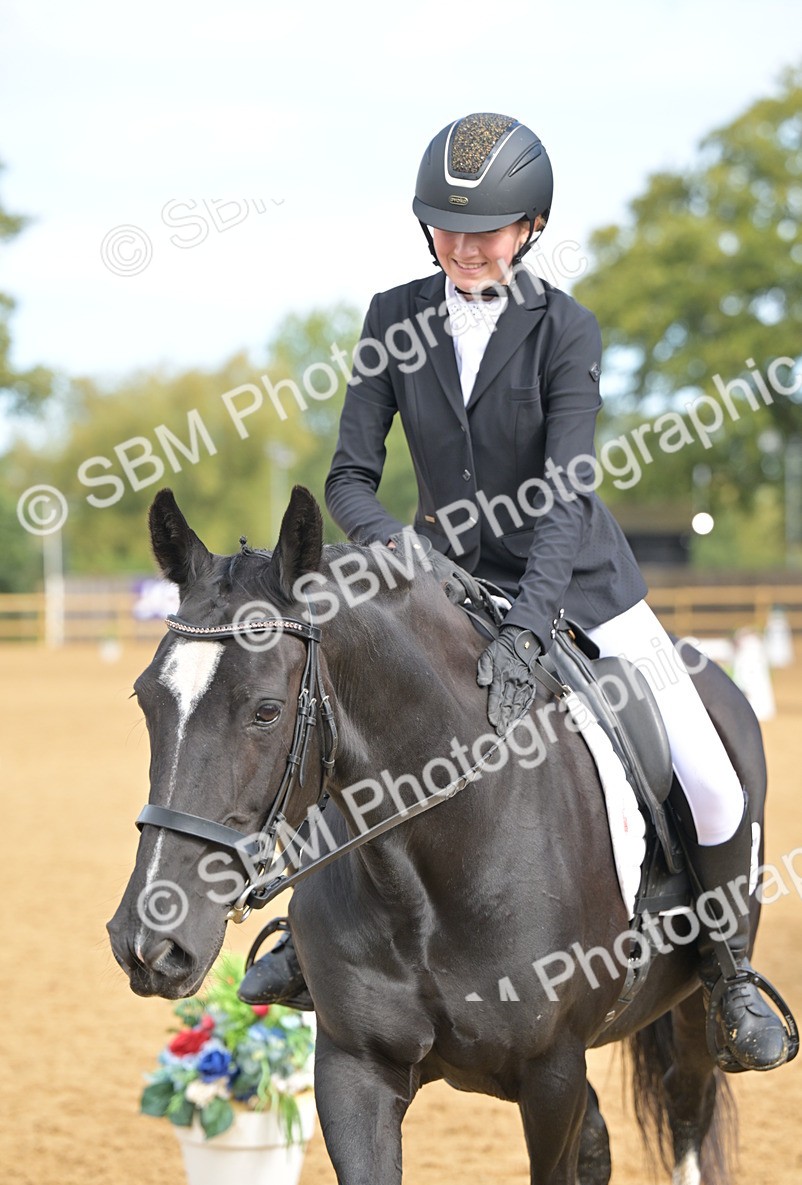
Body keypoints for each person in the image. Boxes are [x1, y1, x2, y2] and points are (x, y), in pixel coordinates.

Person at [239, 113, 790, 1072]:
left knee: (707, 767)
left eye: (486, 230)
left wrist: (533, 626)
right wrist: (409, 561)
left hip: (578, 583)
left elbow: (565, 494)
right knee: (340, 715)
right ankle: (309, 936)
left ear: (530, 225)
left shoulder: (564, 328)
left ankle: (728, 967)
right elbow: (348, 482)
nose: (464, 247)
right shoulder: (391, 317)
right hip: (435, 582)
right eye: (447, 229)